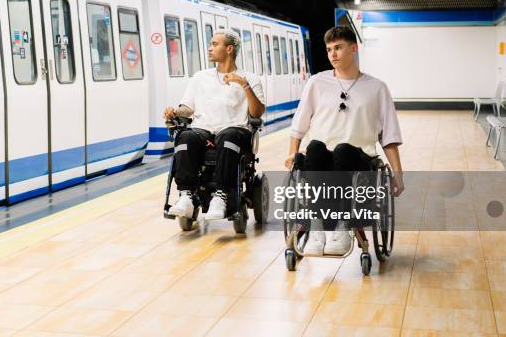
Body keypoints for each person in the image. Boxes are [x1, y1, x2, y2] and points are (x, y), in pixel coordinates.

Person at [284, 25, 404, 255]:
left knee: (343, 150)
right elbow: (299, 124)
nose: (333, 54)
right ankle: (317, 228)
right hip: (322, 161)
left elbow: (389, 136)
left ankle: (341, 225)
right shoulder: (317, 83)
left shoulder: (377, 88)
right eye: (329, 50)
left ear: (353, 48)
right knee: (316, 147)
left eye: (338, 48)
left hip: (358, 160)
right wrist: (292, 152)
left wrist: (398, 173)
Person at [164, 29, 265, 220]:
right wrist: (176, 112)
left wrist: (244, 85)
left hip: (235, 130)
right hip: (204, 130)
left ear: (229, 49)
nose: (209, 48)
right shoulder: (200, 77)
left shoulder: (249, 78)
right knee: (185, 136)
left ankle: (221, 196)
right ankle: (186, 196)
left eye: (214, 44)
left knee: (228, 136)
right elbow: (188, 107)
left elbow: (257, 113)